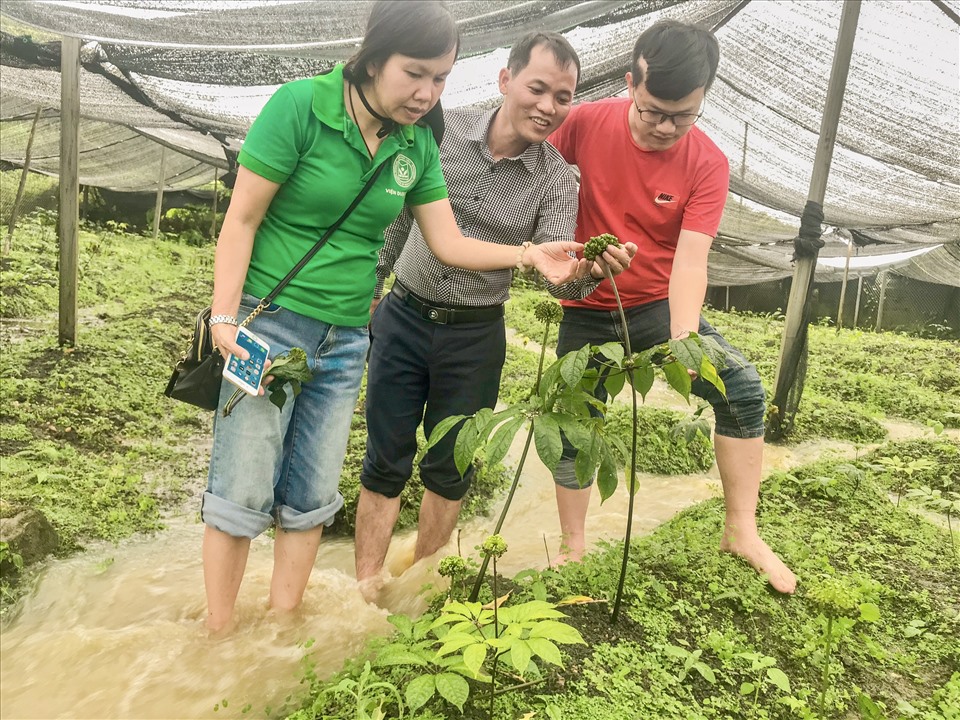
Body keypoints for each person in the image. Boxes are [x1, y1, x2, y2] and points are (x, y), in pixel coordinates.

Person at [202, 1, 586, 633]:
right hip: (268, 326)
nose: (427, 92)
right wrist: (225, 318)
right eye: (416, 73)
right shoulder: (300, 106)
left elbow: (448, 241)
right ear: (374, 55)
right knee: (242, 485)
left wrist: (528, 254)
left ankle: (279, 630)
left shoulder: (416, 141)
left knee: (312, 494)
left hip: (349, 338)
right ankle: (217, 637)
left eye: (440, 78)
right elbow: (240, 220)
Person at [353, 32, 636, 600]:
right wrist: (369, 290)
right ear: (506, 80)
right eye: (537, 88)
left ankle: (418, 588)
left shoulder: (557, 177)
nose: (548, 107)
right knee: (385, 458)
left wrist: (590, 271)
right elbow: (396, 218)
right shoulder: (440, 129)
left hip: (476, 335)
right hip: (403, 316)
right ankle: (364, 589)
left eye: (563, 97)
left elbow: (551, 264)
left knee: (451, 466)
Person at [547, 19, 797, 593]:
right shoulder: (583, 124)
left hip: (658, 306)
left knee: (741, 389)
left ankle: (741, 530)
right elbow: (533, 176)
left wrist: (685, 340)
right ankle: (572, 546)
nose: (665, 127)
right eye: (653, 110)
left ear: (704, 97)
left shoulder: (707, 162)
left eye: (683, 116)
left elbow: (690, 260)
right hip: (587, 306)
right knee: (574, 421)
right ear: (632, 81)